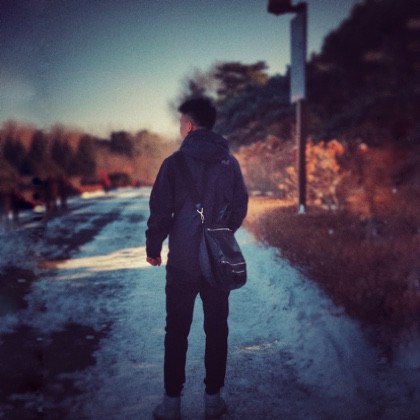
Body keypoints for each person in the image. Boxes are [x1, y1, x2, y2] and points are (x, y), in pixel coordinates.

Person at [146, 97, 248, 419]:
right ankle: (213, 401)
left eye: (181, 123)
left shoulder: (173, 164)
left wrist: (153, 247)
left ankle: (171, 404)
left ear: (189, 126)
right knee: (217, 328)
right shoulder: (229, 163)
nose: (180, 129)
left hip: (183, 262)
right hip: (218, 262)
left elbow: (160, 211)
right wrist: (220, 234)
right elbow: (240, 206)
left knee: (176, 331)